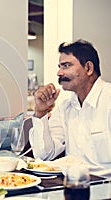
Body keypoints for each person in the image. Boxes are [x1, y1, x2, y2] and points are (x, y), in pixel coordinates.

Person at [29, 39, 111, 177]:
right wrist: (41, 112)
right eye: (59, 66)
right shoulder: (66, 107)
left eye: (66, 66)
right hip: (72, 186)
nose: (59, 73)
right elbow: (44, 155)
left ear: (89, 68)